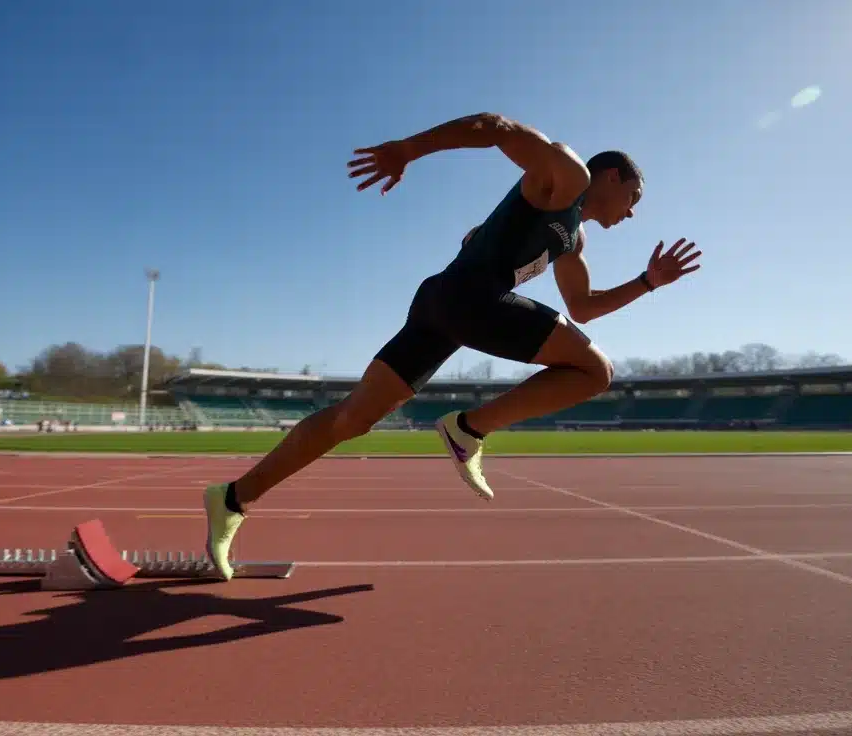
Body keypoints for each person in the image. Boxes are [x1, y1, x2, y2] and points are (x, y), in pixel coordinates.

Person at [202, 111, 701, 579]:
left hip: (447, 305)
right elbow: (496, 126)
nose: (632, 213)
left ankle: (231, 498)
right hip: (465, 299)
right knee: (596, 371)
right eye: (634, 197)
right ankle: (468, 428)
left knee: (352, 418)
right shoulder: (568, 175)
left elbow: (584, 305)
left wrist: (647, 282)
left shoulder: (573, 239)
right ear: (611, 177)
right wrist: (407, 149)